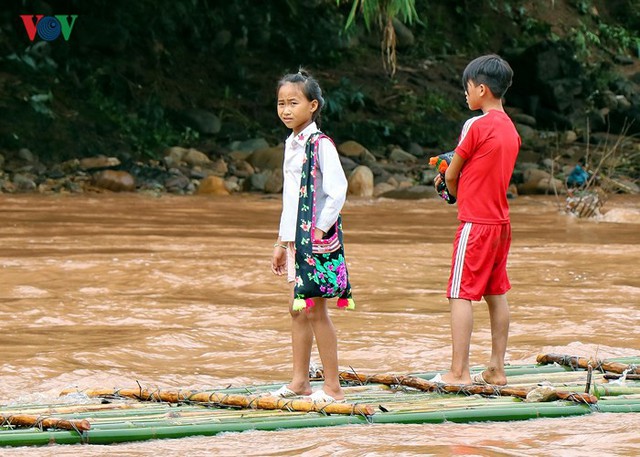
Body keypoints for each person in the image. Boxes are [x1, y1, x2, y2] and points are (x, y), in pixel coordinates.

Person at [432, 54, 521, 386]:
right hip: (500, 223)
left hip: (475, 224)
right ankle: (497, 368)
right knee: (495, 293)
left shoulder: (475, 125)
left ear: (481, 89)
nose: (465, 94)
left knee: (460, 293)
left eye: (467, 88)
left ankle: (459, 372)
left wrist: (446, 185)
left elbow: (452, 174)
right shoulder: (511, 129)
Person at [270, 68, 349, 402]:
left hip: (313, 242)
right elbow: (291, 198)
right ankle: (299, 381)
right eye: (281, 103)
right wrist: (280, 241)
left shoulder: (320, 144)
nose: (286, 110)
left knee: (316, 310)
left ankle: (333, 388)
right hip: (295, 241)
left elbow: (338, 190)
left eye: (294, 103)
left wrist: (318, 230)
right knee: (297, 309)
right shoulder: (291, 142)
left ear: (313, 105)